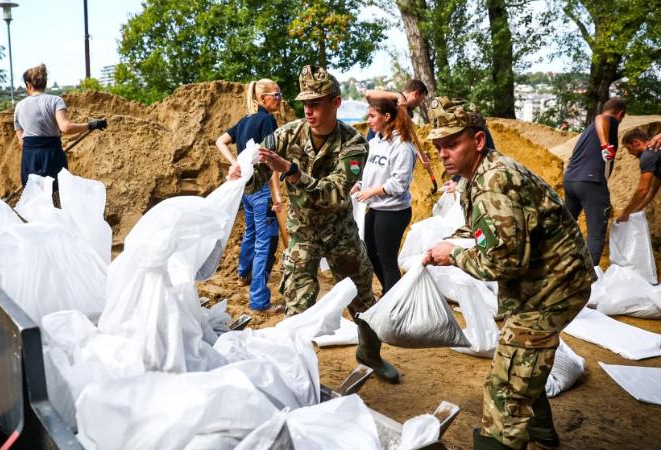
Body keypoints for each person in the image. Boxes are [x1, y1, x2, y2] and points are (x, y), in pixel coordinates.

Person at [421, 97, 595, 450]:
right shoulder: (477, 175)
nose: (443, 153)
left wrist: (453, 255)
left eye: (452, 143)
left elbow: (503, 263)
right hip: (538, 281)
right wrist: (452, 241)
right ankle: (541, 429)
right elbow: (485, 230)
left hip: (556, 286)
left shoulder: (493, 183)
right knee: (521, 359)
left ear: (479, 140)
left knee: (506, 386)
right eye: (438, 146)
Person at [235, 65, 399, 383]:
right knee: (298, 301)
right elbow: (257, 170)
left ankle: (370, 354)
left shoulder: (354, 143)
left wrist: (294, 172)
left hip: (340, 232)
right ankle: (295, 373)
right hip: (303, 232)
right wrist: (243, 174)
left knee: (363, 297)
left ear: (335, 103)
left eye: (317, 103)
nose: (309, 111)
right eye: (305, 104)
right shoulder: (286, 134)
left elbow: (337, 194)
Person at [215, 79, 284, 312]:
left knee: (251, 233)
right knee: (264, 242)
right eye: (277, 94)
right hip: (261, 188)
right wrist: (277, 196)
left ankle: (243, 274)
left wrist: (235, 164)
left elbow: (220, 141)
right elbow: (270, 160)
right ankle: (259, 300)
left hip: (245, 188)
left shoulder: (244, 121)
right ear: (263, 98)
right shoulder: (266, 120)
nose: (280, 99)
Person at [351, 98, 417, 296]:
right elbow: (368, 174)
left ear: (386, 117)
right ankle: (390, 293)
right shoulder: (373, 143)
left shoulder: (403, 147)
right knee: (370, 254)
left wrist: (370, 192)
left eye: (372, 116)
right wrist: (359, 185)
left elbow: (399, 184)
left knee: (387, 259)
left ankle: (395, 302)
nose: (368, 120)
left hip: (394, 212)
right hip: (375, 208)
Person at [14, 64, 106, 192]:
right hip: (52, 155)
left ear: (28, 84)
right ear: (45, 83)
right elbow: (66, 128)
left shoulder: (19, 106)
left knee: (34, 198)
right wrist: (92, 125)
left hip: (30, 158)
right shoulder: (55, 101)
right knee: (56, 195)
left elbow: (22, 142)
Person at [563, 97, 626, 265]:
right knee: (596, 234)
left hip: (570, 180)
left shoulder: (588, 131)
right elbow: (601, 118)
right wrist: (606, 146)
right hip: (591, 182)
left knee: (564, 227)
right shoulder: (609, 120)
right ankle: (592, 282)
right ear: (621, 114)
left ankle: (559, 268)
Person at [615, 129, 661, 222]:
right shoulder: (656, 155)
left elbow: (643, 190)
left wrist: (625, 212)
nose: (629, 152)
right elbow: (651, 191)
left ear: (636, 142)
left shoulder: (647, 155)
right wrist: (633, 212)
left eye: (628, 148)